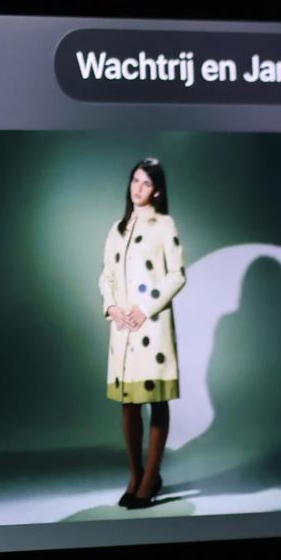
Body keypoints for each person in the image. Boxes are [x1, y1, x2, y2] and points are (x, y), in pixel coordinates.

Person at [99, 158, 187, 509]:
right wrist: (112, 308)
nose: (138, 188)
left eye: (146, 183)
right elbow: (106, 275)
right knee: (129, 403)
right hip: (123, 329)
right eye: (135, 180)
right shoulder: (117, 228)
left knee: (156, 399)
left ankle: (151, 478)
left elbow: (177, 274)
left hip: (151, 325)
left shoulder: (164, 225)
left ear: (157, 191)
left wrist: (145, 308)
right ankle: (135, 475)